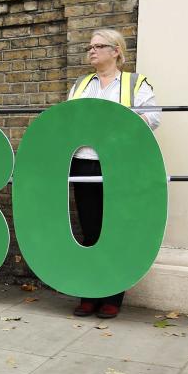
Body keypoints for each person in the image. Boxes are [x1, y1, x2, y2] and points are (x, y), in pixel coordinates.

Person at [68, 29, 160, 319]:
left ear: (116, 51)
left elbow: (153, 116)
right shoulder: (80, 84)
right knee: (90, 229)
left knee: (115, 228)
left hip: (118, 163)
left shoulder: (135, 83)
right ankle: (90, 293)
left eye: (99, 46)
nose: (91, 51)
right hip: (84, 161)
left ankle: (112, 297)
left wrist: (118, 125)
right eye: (89, 46)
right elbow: (67, 119)